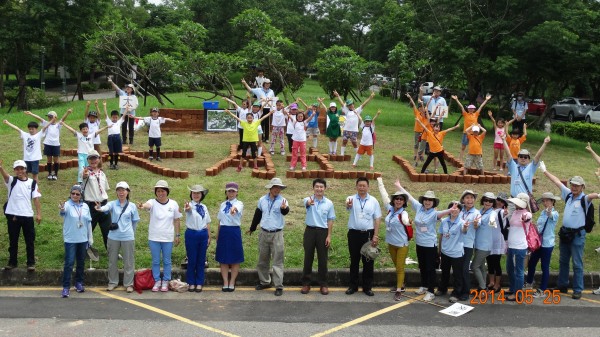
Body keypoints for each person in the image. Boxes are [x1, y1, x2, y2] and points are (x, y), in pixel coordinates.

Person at [538, 161, 599, 299]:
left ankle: (578, 289)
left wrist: (599, 195)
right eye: (572, 184)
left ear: (582, 187)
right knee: (563, 260)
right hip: (565, 232)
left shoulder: (584, 198)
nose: (574, 187)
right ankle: (562, 285)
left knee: (577, 263)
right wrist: (544, 171)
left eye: (577, 185)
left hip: (578, 235)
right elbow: (556, 181)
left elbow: (592, 195)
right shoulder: (569, 195)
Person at [395, 183, 457, 301]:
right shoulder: (419, 207)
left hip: (430, 245)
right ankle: (423, 286)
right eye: (426, 200)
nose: (427, 202)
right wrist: (399, 186)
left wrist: (451, 209)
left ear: (433, 202)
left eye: (430, 200)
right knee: (422, 266)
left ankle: (430, 291)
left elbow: (443, 212)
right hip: (420, 243)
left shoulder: (434, 213)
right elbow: (409, 196)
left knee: (430, 268)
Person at [138, 180, 182, 292]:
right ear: (155, 192)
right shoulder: (152, 202)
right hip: (154, 237)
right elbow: (147, 205)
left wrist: (177, 235)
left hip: (167, 237)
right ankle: (157, 280)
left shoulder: (173, 204)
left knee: (167, 261)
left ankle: (166, 280)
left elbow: (177, 220)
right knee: (156, 261)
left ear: (167, 191)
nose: (160, 193)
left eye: (162, 191)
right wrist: (142, 206)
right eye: (158, 191)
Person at [248, 178, 290, 296]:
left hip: (277, 234)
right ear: (270, 188)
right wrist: (252, 227)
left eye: (279, 188)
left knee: (277, 260)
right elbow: (258, 214)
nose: (277, 189)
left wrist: (284, 209)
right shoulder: (262, 200)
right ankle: (265, 281)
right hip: (263, 233)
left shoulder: (283, 200)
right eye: (275, 187)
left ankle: (278, 286)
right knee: (262, 260)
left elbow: (285, 211)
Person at [96, 181, 139, 293]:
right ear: (116, 192)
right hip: (113, 236)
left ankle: (129, 284)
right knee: (112, 261)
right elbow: (105, 208)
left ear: (128, 192)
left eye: (123, 190)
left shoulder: (132, 206)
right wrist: (100, 208)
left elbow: (135, 222)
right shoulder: (112, 204)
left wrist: (131, 233)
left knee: (129, 262)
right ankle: (112, 282)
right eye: (119, 190)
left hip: (128, 237)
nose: (121, 192)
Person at [0, 159, 41, 271]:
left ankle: (31, 263)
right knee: (13, 240)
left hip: (27, 215)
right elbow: (5, 175)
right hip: (13, 216)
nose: (20, 171)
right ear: (14, 170)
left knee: (30, 240)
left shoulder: (32, 182)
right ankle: (12, 262)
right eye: (17, 169)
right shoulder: (11, 181)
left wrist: (38, 214)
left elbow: (36, 199)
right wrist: (0, 167)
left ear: (25, 169)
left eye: (22, 169)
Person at [344, 177, 382, 297]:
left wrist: (375, 235)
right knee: (354, 260)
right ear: (356, 187)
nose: (361, 188)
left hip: (368, 234)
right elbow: (348, 207)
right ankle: (353, 286)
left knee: (368, 261)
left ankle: (367, 287)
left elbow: (377, 218)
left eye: (364, 185)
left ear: (368, 187)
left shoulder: (373, 201)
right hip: (354, 233)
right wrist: (349, 205)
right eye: (359, 185)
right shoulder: (351, 198)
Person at [377, 178, 411, 301]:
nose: (398, 201)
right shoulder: (390, 209)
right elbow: (383, 194)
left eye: (401, 199)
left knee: (400, 267)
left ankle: (398, 290)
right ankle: (401, 284)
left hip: (402, 244)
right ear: (393, 200)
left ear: (404, 202)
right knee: (397, 266)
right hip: (391, 243)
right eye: (396, 199)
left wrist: (407, 222)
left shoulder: (404, 213)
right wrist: (380, 181)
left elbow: (406, 220)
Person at [301, 178, 336, 296]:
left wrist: (329, 236)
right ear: (313, 188)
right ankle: (306, 283)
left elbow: (330, 220)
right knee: (308, 258)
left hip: (323, 232)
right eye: (317, 187)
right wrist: (308, 203)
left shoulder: (329, 203)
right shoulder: (308, 199)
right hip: (310, 231)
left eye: (321, 187)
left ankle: (324, 284)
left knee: (323, 259)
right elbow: (305, 203)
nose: (319, 189)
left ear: (325, 189)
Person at [59, 185, 93, 298]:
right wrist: (62, 208)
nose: (74, 195)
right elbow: (63, 211)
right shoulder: (67, 205)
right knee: (69, 263)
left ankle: (79, 283)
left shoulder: (85, 206)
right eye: (73, 193)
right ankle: (66, 287)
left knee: (81, 262)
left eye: (77, 194)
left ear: (81, 195)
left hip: (83, 238)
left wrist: (90, 238)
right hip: (70, 239)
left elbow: (88, 223)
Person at [525, 192, 560, 297]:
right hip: (538, 243)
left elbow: (551, 216)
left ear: (552, 201)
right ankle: (529, 282)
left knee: (545, 266)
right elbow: (539, 227)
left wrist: (549, 212)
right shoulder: (542, 213)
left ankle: (543, 289)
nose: (545, 202)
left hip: (547, 244)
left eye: (547, 200)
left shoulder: (554, 213)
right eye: (544, 200)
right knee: (532, 263)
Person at [225, 104, 273, 172]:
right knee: (243, 154)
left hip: (253, 141)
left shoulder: (256, 123)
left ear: (253, 118)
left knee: (254, 154)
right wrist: (229, 113)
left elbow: (263, 117)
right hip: (246, 141)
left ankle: (255, 166)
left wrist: (270, 113)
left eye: (251, 118)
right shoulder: (244, 123)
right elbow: (236, 118)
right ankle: (240, 166)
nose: (249, 119)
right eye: (248, 118)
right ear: (246, 118)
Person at [26, 109, 72, 180]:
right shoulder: (46, 123)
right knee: (49, 159)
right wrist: (31, 114)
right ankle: (50, 173)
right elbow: (39, 118)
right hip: (47, 144)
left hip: (56, 144)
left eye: (51, 117)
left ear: (55, 117)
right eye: (49, 117)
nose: (50, 118)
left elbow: (63, 119)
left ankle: (55, 174)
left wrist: (67, 113)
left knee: (56, 160)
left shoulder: (58, 125)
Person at [3, 115, 51, 181]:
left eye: (32, 129)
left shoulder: (39, 135)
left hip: (35, 158)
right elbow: (17, 128)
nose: (31, 130)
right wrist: (7, 123)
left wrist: (51, 121)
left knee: (35, 174)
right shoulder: (25, 134)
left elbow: (45, 127)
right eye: (30, 129)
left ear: (36, 129)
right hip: (26, 158)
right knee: (25, 173)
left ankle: (35, 188)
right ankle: (26, 185)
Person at [215, 182, 244, 292]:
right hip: (223, 231)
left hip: (234, 231)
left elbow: (236, 208)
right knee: (223, 258)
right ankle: (225, 282)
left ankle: (232, 282)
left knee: (235, 258)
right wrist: (218, 234)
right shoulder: (222, 204)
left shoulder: (239, 203)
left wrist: (233, 209)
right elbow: (220, 220)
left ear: (237, 192)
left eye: (233, 191)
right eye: (229, 191)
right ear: (226, 192)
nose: (231, 193)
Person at [183, 184, 211, 292]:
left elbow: (207, 222)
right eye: (194, 193)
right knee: (192, 259)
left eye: (198, 193)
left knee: (201, 259)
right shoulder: (188, 205)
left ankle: (199, 282)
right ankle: (191, 282)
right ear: (191, 194)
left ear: (202, 195)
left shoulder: (204, 207)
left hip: (203, 234)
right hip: (191, 234)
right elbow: (188, 210)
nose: (196, 195)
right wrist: (188, 208)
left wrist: (209, 235)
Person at [505, 193, 532, 301]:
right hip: (511, 246)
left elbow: (528, 217)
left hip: (520, 247)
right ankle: (513, 288)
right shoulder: (515, 212)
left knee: (519, 271)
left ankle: (518, 294)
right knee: (510, 269)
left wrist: (526, 218)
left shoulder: (526, 213)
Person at [81, 150, 111, 250]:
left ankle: (111, 250)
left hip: (103, 204)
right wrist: (85, 174)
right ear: (88, 160)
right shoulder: (86, 172)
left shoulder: (102, 173)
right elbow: (84, 176)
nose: (93, 161)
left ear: (99, 159)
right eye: (91, 159)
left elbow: (105, 189)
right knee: (88, 229)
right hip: (91, 205)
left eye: (95, 158)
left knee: (107, 229)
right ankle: (83, 250)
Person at [436, 201, 465, 303]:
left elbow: (464, 230)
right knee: (445, 272)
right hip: (445, 252)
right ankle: (442, 289)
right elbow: (441, 236)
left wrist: (465, 227)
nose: (455, 210)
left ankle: (456, 293)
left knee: (457, 274)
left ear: (460, 211)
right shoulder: (444, 222)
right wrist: (439, 250)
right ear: (449, 210)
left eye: (457, 208)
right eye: (453, 207)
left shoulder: (462, 222)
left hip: (456, 253)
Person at [333, 90, 376, 157]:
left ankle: (359, 155)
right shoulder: (347, 111)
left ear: (353, 104)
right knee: (344, 141)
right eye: (349, 105)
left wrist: (370, 97)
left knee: (354, 143)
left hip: (354, 130)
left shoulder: (357, 110)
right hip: (346, 129)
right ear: (347, 106)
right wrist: (338, 95)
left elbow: (364, 104)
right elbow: (342, 103)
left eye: (351, 104)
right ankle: (342, 154)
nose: (351, 106)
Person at [453, 94, 491, 161]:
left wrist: (486, 100)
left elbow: (481, 107)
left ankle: (473, 158)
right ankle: (460, 159)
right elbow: (461, 107)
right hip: (466, 132)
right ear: (468, 109)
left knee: (473, 146)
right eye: (470, 108)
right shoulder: (465, 114)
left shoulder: (476, 114)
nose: (471, 109)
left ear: (474, 109)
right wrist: (456, 99)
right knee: (463, 147)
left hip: (474, 133)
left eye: (472, 108)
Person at [458, 189, 481, 300]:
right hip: (457, 244)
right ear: (463, 200)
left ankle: (465, 291)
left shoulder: (476, 213)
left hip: (467, 244)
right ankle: (458, 289)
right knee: (458, 268)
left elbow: (477, 225)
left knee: (464, 268)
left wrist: (475, 224)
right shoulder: (460, 211)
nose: (470, 200)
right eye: (467, 198)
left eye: (472, 198)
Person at [471, 192, 496, 292]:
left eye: (490, 201)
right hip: (477, 243)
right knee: (481, 266)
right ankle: (483, 285)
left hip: (485, 245)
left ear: (493, 203)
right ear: (483, 201)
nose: (488, 202)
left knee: (474, 266)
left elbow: (492, 222)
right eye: (486, 200)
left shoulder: (492, 213)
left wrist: (492, 222)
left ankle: (482, 287)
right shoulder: (480, 211)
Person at [486, 192, 509, 292]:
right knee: (489, 262)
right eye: (498, 200)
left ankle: (497, 284)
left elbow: (500, 222)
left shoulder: (501, 212)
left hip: (497, 240)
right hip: (489, 239)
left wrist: (504, 215)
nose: (499, 202)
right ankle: (491, 282)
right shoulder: (492, 210)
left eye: (502, 201)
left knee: (496, 263)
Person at [242, 77, 275, 142]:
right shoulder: (259, 90)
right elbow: (250, 90)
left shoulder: (271, 91)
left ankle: (267, 138)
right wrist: (245, 83)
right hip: (260, 108)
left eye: (269, 83)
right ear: (264, 84)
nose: (267, 85)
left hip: (268, 108)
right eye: (266, 83)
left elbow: (273, 99)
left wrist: (273, 107)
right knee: (260, 122)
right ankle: (261, 137)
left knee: (267, 123)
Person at [108, 78, 138, 145]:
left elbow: (136, 105)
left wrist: (131, 109)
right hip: (123, 113)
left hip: (131, 114)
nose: (127, 88)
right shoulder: (123, 94)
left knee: (131, 127)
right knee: (123, 126)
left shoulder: (134, 97)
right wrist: (111, 82)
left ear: (132, 89)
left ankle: (131, 139)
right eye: (127, 87)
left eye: (129, 88)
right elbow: (117, 88)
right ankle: (124, 139)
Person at [102, 101, 128, 170]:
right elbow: (105, 114)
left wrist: (126, 109)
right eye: (113, 117)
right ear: (111, 117)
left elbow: (124, 115)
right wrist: (104, 106)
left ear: (117, 117)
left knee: (117, 152)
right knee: (111, 152)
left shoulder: (119, 122)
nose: (115, 119)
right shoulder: (109, 121)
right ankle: (111, 164)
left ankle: (116, 164)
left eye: (116, 117)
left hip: (118, 138)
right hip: (111, 138)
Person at [406, 93, 429, 167]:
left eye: (421, 108)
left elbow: (425, 109)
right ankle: (415, 155)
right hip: (417, 130)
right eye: (419, 108)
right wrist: (410, 97)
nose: (420, 109)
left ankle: (421, 156)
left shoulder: (424, 115)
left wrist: (423, 104)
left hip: (423, 131)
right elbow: (414, 105)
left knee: (422, 144)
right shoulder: (416, 113)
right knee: (416, 144)